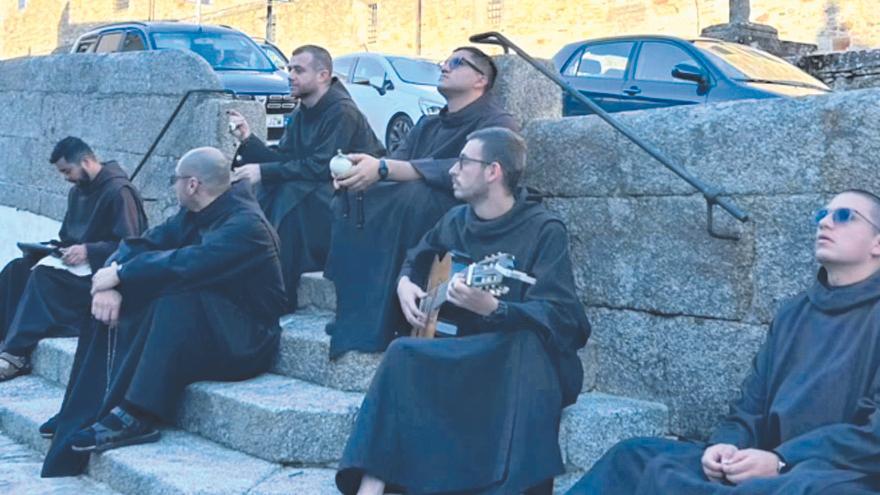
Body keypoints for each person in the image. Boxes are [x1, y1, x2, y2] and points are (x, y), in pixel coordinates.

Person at [567, 189, 880, 495]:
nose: (825, 223)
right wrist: (726, 445)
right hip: (763, 459)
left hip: (839, 470)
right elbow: (751, 405)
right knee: (633, 456)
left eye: (844, 216)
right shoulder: (794, 313)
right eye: (822, 215)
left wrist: (784, 461)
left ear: (877, 242)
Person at [336, 127, 590, 495]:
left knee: (522, 344)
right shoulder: (455, 219)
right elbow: (418, 255)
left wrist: (497, 309)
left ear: (493, 171)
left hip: (510, 360)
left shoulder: (543, 229)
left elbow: (566, 318)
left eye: (464, 161)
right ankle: (371, 486)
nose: (453, 170)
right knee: (401, 352)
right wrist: (405, 282)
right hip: (461, 350)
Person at [41, 147, 286, 477]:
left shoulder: (246, 226)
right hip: (211, 324)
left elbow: (186, 265)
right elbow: (143, 243)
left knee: (174, 297)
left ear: (193, 184)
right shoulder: (199, 211)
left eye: (176, 180)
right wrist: (111, 279)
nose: (174, 186)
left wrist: (122, 274)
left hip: (248, 340)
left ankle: (136, 412)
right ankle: (87, 404)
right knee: (122, 300)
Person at [324, 46, 519, 358]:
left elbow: (466, 170)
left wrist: (388, 169)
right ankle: (361, 313)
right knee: (356, 193)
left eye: (456, 62)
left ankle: (392, 317)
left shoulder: (498, 123)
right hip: (416, 201)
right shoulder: (428, 124)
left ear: (480, 79)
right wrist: (361, 168)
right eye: (445, 60)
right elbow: (394, 162)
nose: (444, 66)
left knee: (413, 197)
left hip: (460, 208)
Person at [228, 44, 383, 311]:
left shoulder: (342, 111)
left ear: (323, 75)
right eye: (289, 69)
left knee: (288, 199)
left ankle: (278, 295)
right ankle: (252, 283)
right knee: (260, 193)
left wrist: (262, 171)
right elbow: (287, 158)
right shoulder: (302, 112)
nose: (290, 75)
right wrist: (248, 139)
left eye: (298, 70)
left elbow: (321, 167)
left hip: (354, 196)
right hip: (318, 188)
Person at [0, 137, 147, 381]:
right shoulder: (77, 192)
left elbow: (132, 243)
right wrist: (53, 249)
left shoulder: (119, 192)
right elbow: (68, 236)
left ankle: (16, 354)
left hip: (102, 273)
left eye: (68, 171)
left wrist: (89, 250)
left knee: (43, 277)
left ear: (86, 161)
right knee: (17, 269)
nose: (66, 177)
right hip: (76, 265)